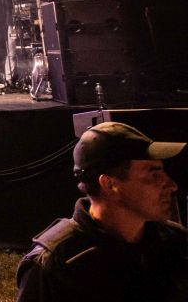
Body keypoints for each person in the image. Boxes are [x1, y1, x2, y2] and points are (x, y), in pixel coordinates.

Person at [15, 121, 187, 301]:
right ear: (110, 184)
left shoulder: (174, 242)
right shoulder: (56, 264)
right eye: (154, 174)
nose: (171, 185)